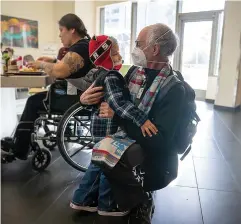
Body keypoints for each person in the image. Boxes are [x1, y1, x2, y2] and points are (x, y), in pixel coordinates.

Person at [71, 23, 185, 223]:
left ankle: (140, 199)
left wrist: (116, 116)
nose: (134, 48)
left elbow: (158, 139)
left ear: (154, 49)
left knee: (106, 151)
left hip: (153, 148)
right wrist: (84, 100)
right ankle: (93, 199)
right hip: (128, 133)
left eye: (138, 43)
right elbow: (113, 98)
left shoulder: (173, 88)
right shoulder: (135, 72)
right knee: (103, 150)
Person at [70, 35, 158, 215]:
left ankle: (82, 198)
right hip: (107, 127)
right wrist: (142, 119)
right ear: (105, 57)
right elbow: (119, 103)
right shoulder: (111, 76)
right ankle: (107, 204)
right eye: (115, 53)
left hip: (99, 124)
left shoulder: (98, 73)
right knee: (108, 164)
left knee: (99, 162)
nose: (120, 56)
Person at [1, 14, 93, 160]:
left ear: (72, 30)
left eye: (61, 29)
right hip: (76, 95)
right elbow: (71, 67)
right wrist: (54, 60)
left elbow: (60, 70)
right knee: (36, 99)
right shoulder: (84, 45)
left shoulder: (81, 47)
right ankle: (20, 142)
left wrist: (41, 64)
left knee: (33, 102)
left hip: (73, 99)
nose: (59, 34)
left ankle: (20, 148)